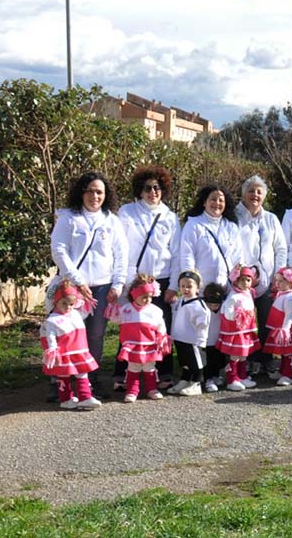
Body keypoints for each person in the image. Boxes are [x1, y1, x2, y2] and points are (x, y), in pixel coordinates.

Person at [50, 171, 128, 397]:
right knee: (66, 333)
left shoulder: (111, 221)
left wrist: (118, 284)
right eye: (91, 191)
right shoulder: (69, 218)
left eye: (100, 192)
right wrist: (78, 281)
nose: (95, 196)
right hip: (72, 289)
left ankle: (90, 381)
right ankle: (61, 381)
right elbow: (59, 250)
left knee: (95, 335)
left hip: (102, 288)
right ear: (82, 193)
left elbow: (121, 255)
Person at [117, 166, 179, 389]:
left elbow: (177, 252)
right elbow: (121, 247)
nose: (153, 192)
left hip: (161, 279)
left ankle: (163, 373)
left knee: (161, 327)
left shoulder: (170, 217)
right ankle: (123, 374)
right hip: (135, 279)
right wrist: (125, 279)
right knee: (130, 325)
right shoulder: (127, 212)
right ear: (139, 191)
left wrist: (173, 285)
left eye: (157, 188)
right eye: (147, 188)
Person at [235, 175, 287, 379]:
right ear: (244, 194)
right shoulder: (234, 216)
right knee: (243, 322)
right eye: (251, 190)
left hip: (267, 280)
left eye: (259, 192)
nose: (255, 195)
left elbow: (280, 248)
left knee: (267, 321)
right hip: (242, 281)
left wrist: (279, 275)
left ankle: (265, 360)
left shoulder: (271, 219)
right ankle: (244, 360)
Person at [172, 185, 246, 293]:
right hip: (200, 290)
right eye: (213, 199)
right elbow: (187, 256)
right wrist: (191, 284)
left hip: (226, 289)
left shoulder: (231, 227)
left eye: (221, 200)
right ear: (204, 202)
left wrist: (237, 283)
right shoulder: (193, 224)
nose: (217, 203)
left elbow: (238, 258)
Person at [40, 281, 102, 410]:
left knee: (82, 373)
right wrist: (52, 349)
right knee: (63, 376)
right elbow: (50, 336)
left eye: (71, 304)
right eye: (64, 303)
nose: (68, 307)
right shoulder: (52, 320)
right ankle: (66, 399)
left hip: (79, 351)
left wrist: (86, 299)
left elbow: (85, 311)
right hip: (64, 353)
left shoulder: (75, 314)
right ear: (56, 301)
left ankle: (85, 397)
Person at [112, 273, 170, 402]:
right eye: (144, 297)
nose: (148, 300)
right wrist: (113, 309)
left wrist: (162, 337)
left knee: (149, 367)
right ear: (134, 295)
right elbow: (116, 320)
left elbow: (161, 325)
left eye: (150, 297)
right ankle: (132, 391)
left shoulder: (155, 310)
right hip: (132, 345)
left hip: (149, 344)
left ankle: (152, 389)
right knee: (133, 367)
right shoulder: (126, 309)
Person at [218, 265, 260, 391]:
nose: (246, 283)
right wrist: (238, 314)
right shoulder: (233, 297)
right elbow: (228, 314)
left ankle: (242, 376)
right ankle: (232, 379)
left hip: (246, 330)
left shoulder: (248, 293)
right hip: (236, 331)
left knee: (243, 355)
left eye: (248, 280)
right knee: (235, 355)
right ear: (235, 281)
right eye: (242, 280)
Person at [168, 270, 210, 397]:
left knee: (195, 362)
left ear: (197, 288)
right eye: (182, 286)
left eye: (189, 286)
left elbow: (203, 324)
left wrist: (201, 340)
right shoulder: (180, 301)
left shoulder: (199, 306)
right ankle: (185, 380)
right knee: (184, 362)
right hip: (180, 338)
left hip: (193, 341)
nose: (185, 289)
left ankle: (196, 383)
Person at [262, 267, 292, 386]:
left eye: (281, 281)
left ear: (290, 282)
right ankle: (283, 371)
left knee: (288, 352)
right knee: (283, 352)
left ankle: (288, 374)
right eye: (276, 281)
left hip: (285, 330)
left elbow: (289, 316)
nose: (277, 284)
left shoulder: (290, 298)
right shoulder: (283, 294)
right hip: (279, 329)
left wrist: (285, 329)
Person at [200, 283, 228, 393]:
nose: (212, 308)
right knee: (207, 361)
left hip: (218, 339)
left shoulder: (223, 308)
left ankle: (216, 376)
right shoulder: (201, 308)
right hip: (206, 341)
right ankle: (208, 379)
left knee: (218, 359)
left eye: (216, 306)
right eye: (209, 305)